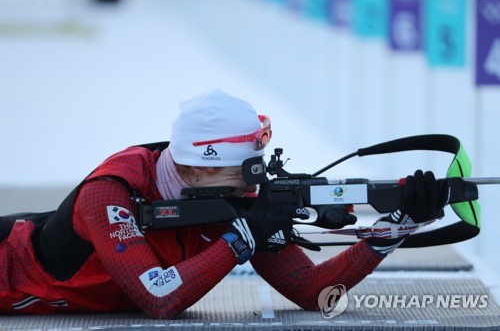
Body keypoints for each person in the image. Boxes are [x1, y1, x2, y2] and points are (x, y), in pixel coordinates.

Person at [0, 89, 447, 318]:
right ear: (197, 169)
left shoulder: (229, 201)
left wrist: (397, 225)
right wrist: (243, 239)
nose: (257, 185)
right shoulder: (111, 193)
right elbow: (160, 297)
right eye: (246, 171)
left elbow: (312, 292)